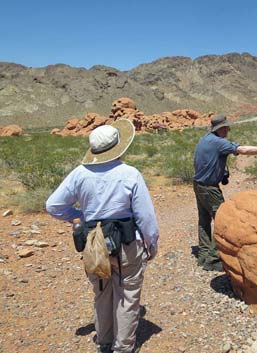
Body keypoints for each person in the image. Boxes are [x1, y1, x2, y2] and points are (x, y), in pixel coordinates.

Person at [46, 119, 159, 353]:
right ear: (118, 146)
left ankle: (105, 342)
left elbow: (53, 205)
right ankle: (123, 347)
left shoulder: (79, 174)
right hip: (127, 245)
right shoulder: (130, 174)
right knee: (127, 296)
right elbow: (145, 216)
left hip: (94, 243)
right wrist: (152, 243)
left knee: (101, 291)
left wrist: (80, 217)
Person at [193, 115, 257, 271]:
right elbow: (243, 150)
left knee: (204, 220)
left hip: (199, 184)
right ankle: (213, 260)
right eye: (226, 127)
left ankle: (204, 255)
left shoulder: (205, 139)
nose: (228, 129)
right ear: (220, 128)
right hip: (209, 188)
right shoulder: (219, 142)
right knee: (222, 220)